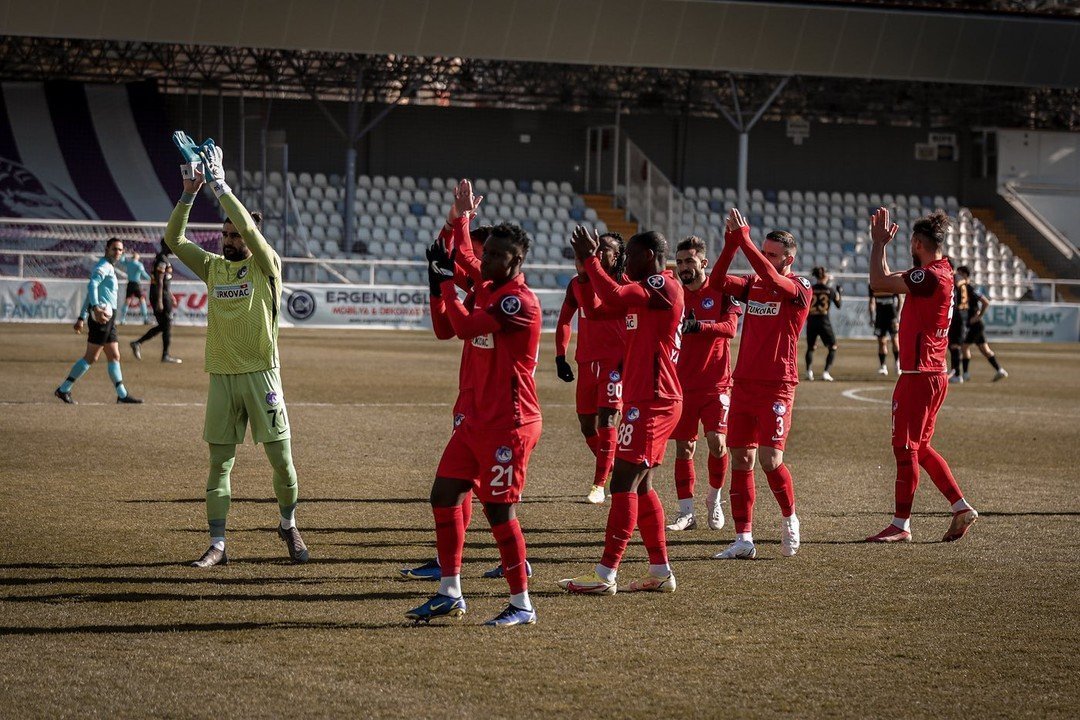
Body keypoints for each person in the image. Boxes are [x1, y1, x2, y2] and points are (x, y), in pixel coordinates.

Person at [166, 139, 308, 568]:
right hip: (223, 375)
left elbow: (250, 231)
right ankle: (219, 544)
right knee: (219, 464)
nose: (229, 239)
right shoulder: (212, 267)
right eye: (224, 234)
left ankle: (288, 523)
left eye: (235, 234)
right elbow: (174, 239)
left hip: (262, 375)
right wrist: (190, 194)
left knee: (282, 464)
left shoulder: (267, 266)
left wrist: (221, 187)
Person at [404, 197, 542, 628]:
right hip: (477, 420)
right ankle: (450, 591)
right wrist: (461, 219)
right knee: (444, 496)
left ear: (516, 261)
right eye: (489, 252)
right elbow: (463, 256)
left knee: (499, 514)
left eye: (498, 255)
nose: (487, 259)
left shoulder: (517, 303)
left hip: (510, 423)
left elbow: (461, 326)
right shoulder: (489, 287)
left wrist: (446, 284)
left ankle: (522, 605)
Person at [559, 226, 683, 595]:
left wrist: (594, 260)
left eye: (630, 253)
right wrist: (587, 270)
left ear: (647, 255)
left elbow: (613, 291)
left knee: (623, 483)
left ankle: (605, 574)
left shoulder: (663, 285)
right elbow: (600, 306)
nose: (626, 259)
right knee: (641, 485)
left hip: (655, 398)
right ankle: (660, 571)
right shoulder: (642, 292)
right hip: (645, 397)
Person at [865, 208, 978, 543]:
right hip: (932, 372)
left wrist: (876, 244)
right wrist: (881, 248)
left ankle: (901, 525)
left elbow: (877, 282)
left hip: (919, 374)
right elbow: (886, 279)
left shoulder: (928, 276)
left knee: (905, 447)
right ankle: (960, 506)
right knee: (921, 446)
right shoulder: (940, 273)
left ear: (916, 242)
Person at [708, 209, 811, 560]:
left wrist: (746, 241)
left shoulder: (799, 288)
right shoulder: (752, 286)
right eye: (763, 251)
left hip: (778, 384)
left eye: (772, 254)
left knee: (770, 458)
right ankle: (743, 538)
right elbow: (716, 281)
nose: (765, 259)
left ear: (788, 259)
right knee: (741, 458)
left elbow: (769, 275)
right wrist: (730, 244)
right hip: (745, 383)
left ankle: (789, 519)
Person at [667, 235, 740, 532]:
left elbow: (731, 328)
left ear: (704, 262)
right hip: (681, 384)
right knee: (684, 448)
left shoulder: (722, 291)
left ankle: (714, 499)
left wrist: (701, 326)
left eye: (689, 261)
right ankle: (686, 512)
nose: (684, 267)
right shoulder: (673, 294)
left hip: (716, 384)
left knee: (717, 442)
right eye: (680, 261)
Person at [554, 232, 627, 505]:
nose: (596, 252)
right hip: (587, 362)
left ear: (617, 256)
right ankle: (618, 466)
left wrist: (586, 274)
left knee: (607, 420)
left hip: (615, 363)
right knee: (587, 425)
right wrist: (561, 356)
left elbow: (595, 310)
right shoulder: (575, 285)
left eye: (603, 249)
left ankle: (599, 484)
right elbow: (563, 320)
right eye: (593, 248)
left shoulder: (622, 284)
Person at [54, 237, 143, 405]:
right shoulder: (103, 267)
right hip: (101, 318)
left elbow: (90, 294)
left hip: (109, 318)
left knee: (114, 355)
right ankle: (63, 389)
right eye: (114, 249)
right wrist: (95, 308)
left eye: (120, 250)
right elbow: (92, 285)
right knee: (91, 357)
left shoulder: (109, 267)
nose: (118, 252)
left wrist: (82, 317)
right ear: (106, 250)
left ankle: (122, 395)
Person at [131, 240, 182, 364]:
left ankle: (138, 343)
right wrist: (160, 300)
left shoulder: (163, 259)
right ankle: (165, 355)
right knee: (167, 325)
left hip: (164, 295)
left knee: (164, 325)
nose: (173, 248)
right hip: (161, 297)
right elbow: (159, 281)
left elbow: (163, 282)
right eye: (172, 245)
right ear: (166, 245)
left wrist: (170, 295)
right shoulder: (162, 260)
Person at [957, 266, 1008, 382]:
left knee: (964, 347)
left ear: (965, 275)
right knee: (985, 350)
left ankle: (965, 374)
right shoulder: (965, 288)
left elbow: (985, 301)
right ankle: (1000, 370)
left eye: (959, 274)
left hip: (974, 325)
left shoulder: (968, 288)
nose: (957, 277)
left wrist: (978, 316)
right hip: (976, 325)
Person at [804, 266, 842, 382]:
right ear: (825, 275)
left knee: (811, 347)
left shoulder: (810, 289)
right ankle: (825, 372)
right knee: (833, 346)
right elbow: (838, 305)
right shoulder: (830, 290)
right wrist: (839, 292)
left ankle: (809, 372)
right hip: (824, 321)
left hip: (811, 321)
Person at [869, 284, 902, 375]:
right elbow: (872, 301)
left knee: (895, 340)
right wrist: (872, 317)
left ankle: (897, 364)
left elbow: (900, 299)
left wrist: (897, 316)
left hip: (892, 317)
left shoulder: (891, 283)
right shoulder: (873, 285)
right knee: (881, 341)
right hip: (880, 318)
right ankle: (883, 366)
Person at [118, 251, 150, 325]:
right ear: (137, 257)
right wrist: (151, 279)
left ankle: (122, 319)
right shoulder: (139, 264)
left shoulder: (129, 263)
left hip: (130, 284)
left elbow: (122, 261)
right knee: (142, 300)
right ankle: (145, 319)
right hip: (136, 284)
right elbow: (144, 274)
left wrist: (123, 254)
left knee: (127, 301)